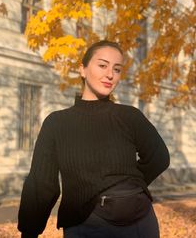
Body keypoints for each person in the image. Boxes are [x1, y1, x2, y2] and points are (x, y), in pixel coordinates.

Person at [18, 40, 170, 238]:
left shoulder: (129, 116)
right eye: (102, 65)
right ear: (82, 69)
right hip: (86, 225)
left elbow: (159, 157)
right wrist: (29, 232)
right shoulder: (57, 123)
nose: (110, 74)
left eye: (117, 69)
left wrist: (131, 187)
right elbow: (42, 184)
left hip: (140, 222)